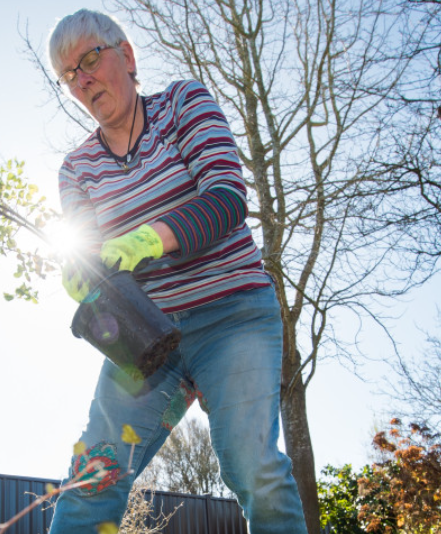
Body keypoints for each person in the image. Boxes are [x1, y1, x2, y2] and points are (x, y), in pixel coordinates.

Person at [47, 9, 308, 534]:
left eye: (90, 59)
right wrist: (83, 276)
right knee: (93, 476)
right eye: (69, 75)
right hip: (145, 338)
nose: (83, 80)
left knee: (252, 466)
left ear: (127, 54)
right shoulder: (77, 169)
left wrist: (148, 239)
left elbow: (226, 198)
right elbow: (92, 258)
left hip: (232, 316)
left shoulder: (183, 104)